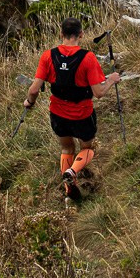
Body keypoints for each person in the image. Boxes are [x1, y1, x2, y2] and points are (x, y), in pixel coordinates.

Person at [23, 17, 121, 199]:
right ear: (81, 34)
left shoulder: (48, 56)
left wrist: (29, 102)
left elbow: (34, 90)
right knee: (88, 148)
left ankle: (69, 188)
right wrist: (111, 80)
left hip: (58, 114)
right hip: (82, 114)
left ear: (61, 33)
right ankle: (73, 171)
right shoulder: (88, 58)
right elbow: (99, 93)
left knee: (67, 149)